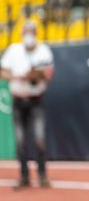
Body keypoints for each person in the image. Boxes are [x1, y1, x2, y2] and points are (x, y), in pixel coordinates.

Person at [0, 20, 54, 189]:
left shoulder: (44, 50)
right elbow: (3, 70)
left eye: (31, 32)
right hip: (18, 100)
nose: (28, 36)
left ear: (36, 33)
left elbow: (49, 74)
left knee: (39, 139)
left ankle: (42, 175)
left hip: (36, 100)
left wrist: (34, 76)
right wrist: (17, 76)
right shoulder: (14, 50)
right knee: (20, 141)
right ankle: (24, 176)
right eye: (26, 32)